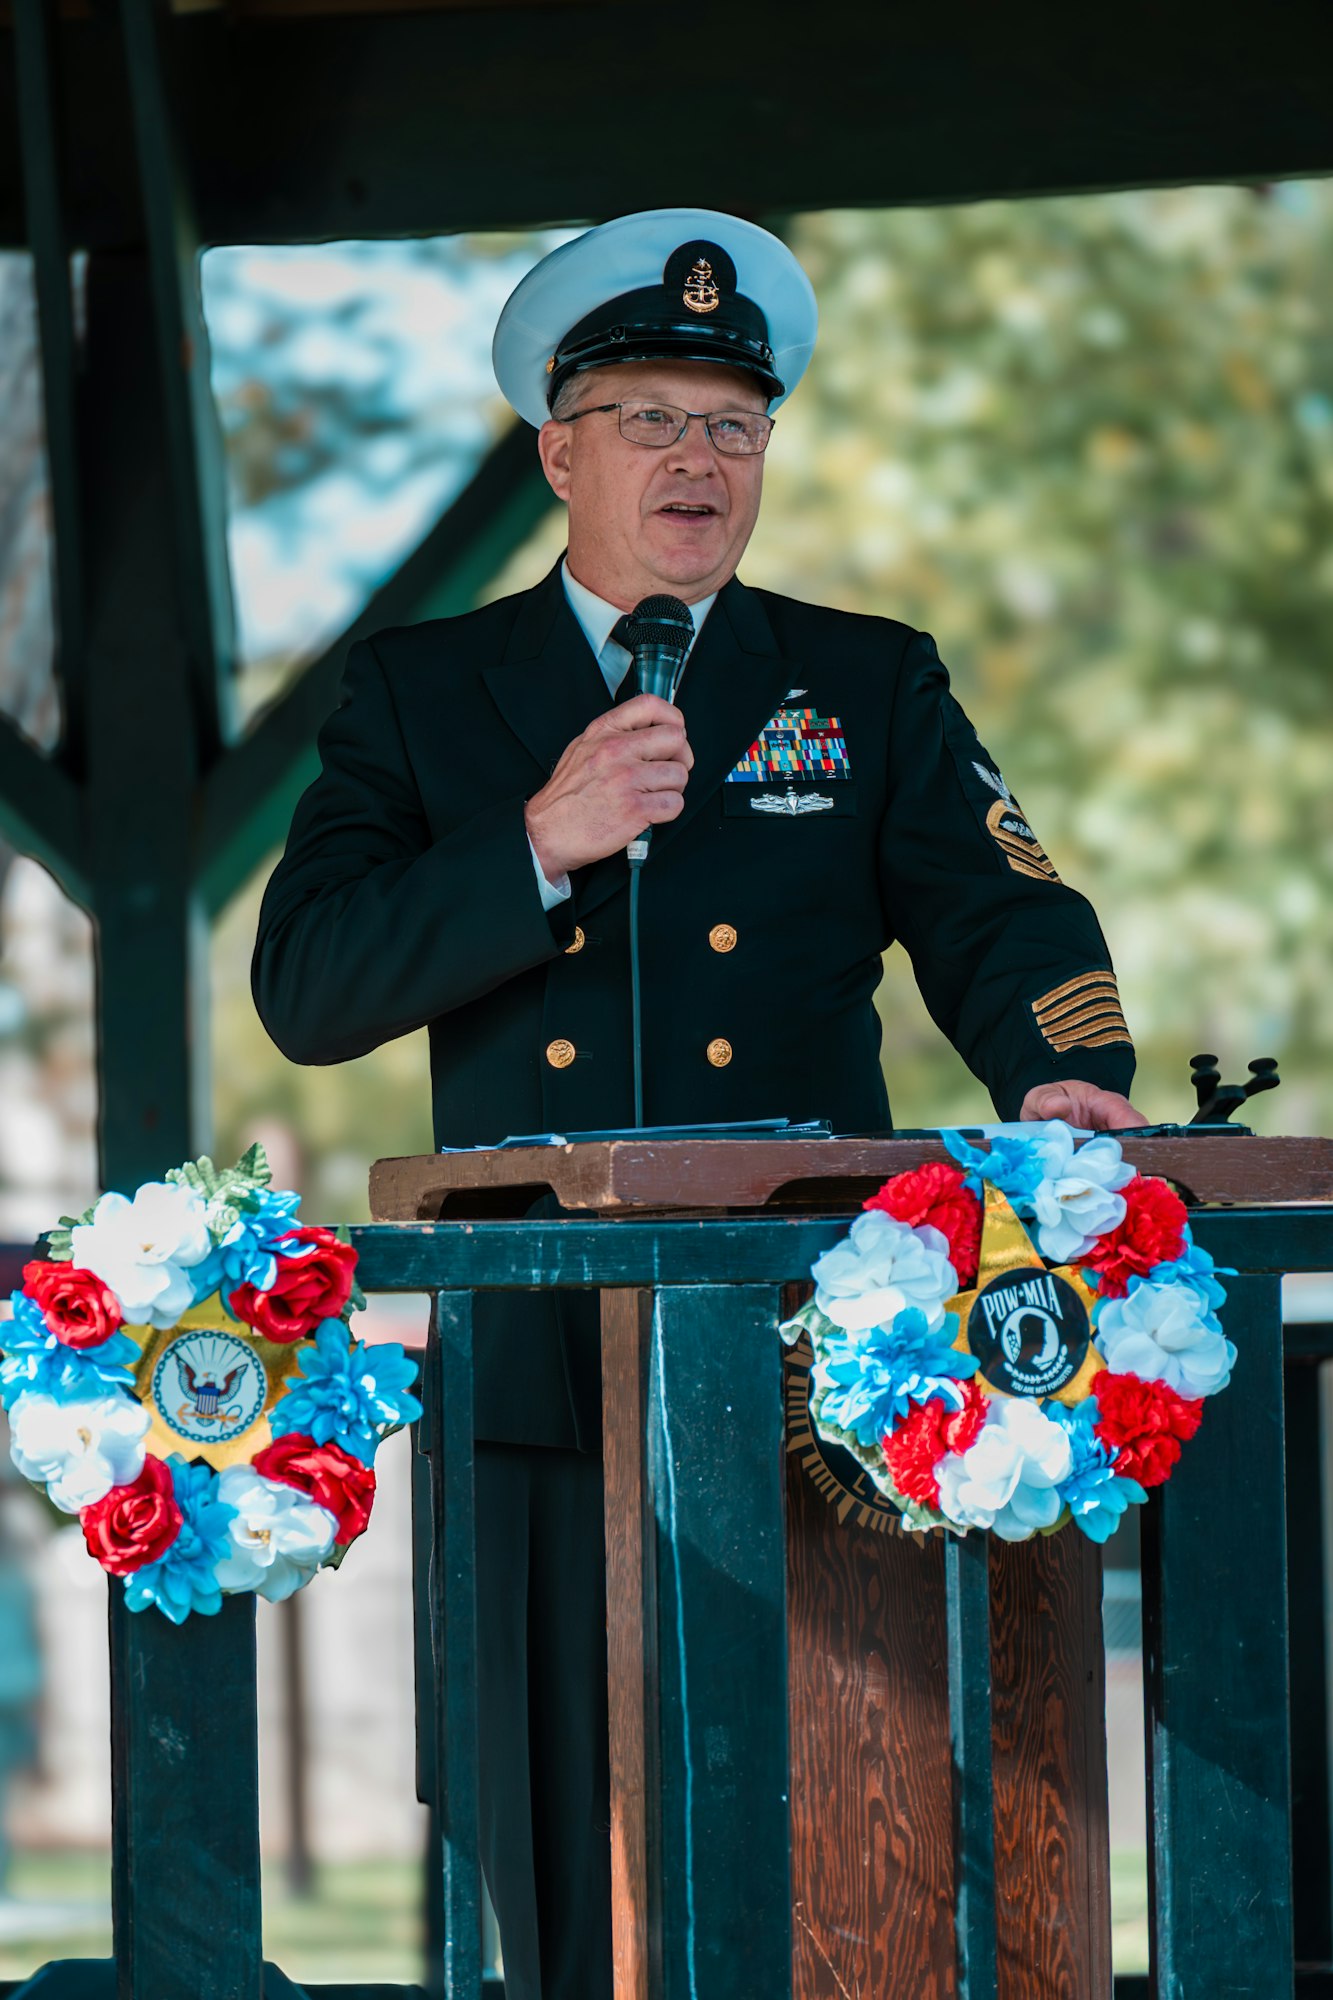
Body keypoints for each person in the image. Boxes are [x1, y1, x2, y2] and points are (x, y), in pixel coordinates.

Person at [252, 208, 1145, 2000]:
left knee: (852, 1812)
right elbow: (310, 989)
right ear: (556, 453)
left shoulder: (858, 674)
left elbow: (1002, 907)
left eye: (732, 427)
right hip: (542, 1364)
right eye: (652, 419)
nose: (698, 460)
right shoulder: (425, 694)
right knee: (564, 1842)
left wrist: (1066, 1073)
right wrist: (533, 842)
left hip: (833, 1362)